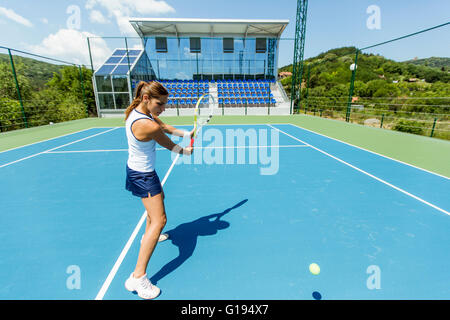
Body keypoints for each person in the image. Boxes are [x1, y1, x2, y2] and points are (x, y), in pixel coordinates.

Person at [123, 81, 194, 299]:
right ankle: (138, 277)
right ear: (147, 99)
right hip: (143, 175)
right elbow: (169, 144)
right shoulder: (147, 124)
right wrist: (186, 151)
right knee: (160, 219)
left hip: (138, 170)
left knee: (158, 202)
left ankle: (149, 236)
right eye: (160, 104)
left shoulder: (137, 111)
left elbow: (166, 127)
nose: (162, 109)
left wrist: (186, 132)